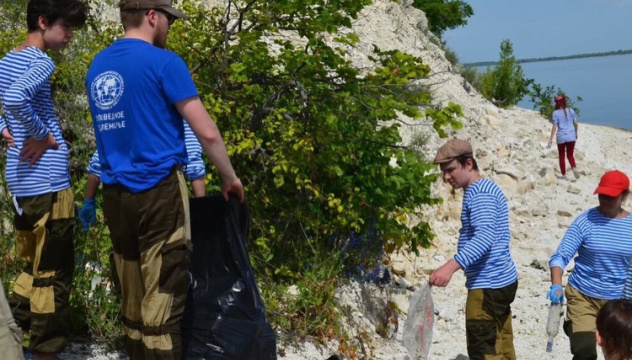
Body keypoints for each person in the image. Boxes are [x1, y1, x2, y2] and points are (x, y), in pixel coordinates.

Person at [85, 0, 244, 359]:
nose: (170, 27)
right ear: (152, 16)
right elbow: (206, 133)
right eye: (169, 20)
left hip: (115, 195)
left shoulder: (98, 66)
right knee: (163, 295)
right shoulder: (164, 63)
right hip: (158, 191)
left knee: (131, 290)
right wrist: (228, 176)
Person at [0, 1, 87, 359]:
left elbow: (5, 100)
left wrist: (5, 130)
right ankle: (46, 353)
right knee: (53, 276)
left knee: (30, 271)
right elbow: (15, 97)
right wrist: (43, 135)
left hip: (20, 186)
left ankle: (13, 340)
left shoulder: (6, 60)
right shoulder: (41, 61)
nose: (69, 36)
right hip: (48, 185)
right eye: (66, 27)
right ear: (42, 21)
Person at [429, 138, 519, 360]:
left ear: (468, 164)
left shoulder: (479, 193)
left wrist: (450, 267)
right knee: (502, 341)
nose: (446, 177)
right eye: (443, 171)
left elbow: (485, 237)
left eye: (450, 170)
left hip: (488, 284)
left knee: (484, 349)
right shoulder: (484, 188)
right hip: (502, 280)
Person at [547, 169, 632, 360]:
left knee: (620, 353)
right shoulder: (585, 221)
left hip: (618, 302)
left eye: (611, 196)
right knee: (584, 350)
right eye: (602, 195)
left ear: (625, 196)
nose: (605, 200)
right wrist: (556, 285)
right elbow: (560, 257)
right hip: (582, 296)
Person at [78, 121, 207, 231]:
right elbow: (194, 165)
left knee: (127, 258)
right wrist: (201, 209)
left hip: (121, 198)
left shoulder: (128, 108)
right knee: (164, 256)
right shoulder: (173, 110)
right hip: (161, 197)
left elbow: (100, 159)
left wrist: (89, 199)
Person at [547, 94, 579, 179]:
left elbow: (554, 127)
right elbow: (576, 123)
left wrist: (550, 139)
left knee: (561, 156)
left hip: (561, 136)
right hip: (571, 135)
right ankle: (573, 167)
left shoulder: (555, 113)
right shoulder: (571, 110)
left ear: (557, 104)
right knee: (570, 155)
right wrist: (576, 133)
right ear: (565, 102)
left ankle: (564, 175)